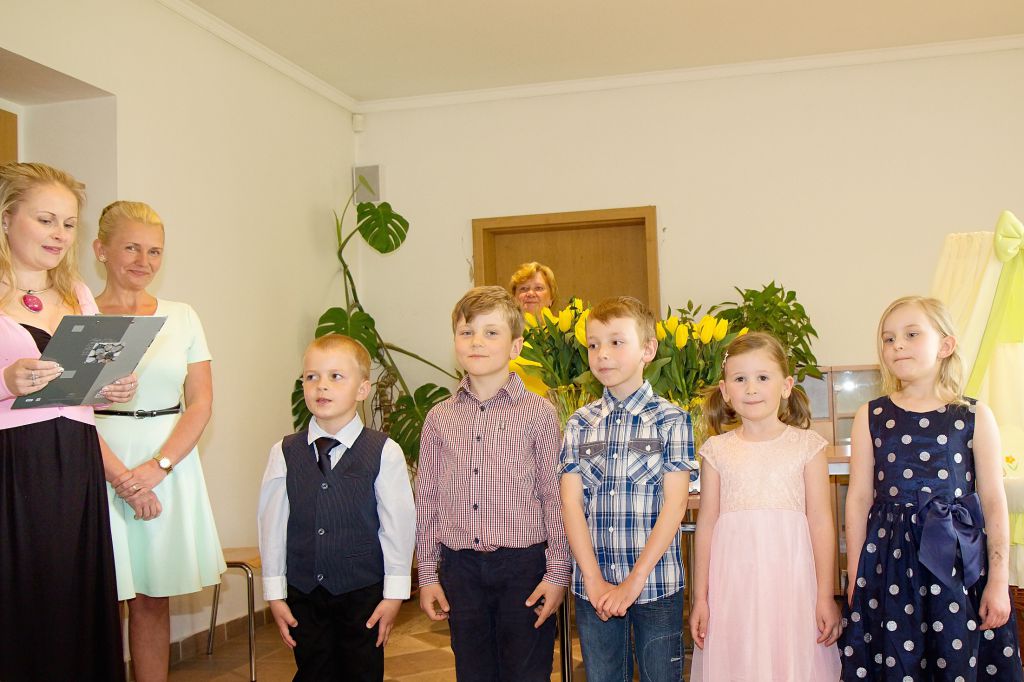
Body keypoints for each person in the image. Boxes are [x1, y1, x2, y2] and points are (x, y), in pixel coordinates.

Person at [0, 162, 142, 681]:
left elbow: (78, 392)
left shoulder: (77, 294)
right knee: (20, 596)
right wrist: (6, 381)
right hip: (14, 465)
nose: (59, 234)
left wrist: (109, 390)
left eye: (67, 224)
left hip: (75, 462)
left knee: (71, 591)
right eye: (45, 220)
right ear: (6, 217)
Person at [840, 296, 1023, 680]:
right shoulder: (870, 415)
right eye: (888, 338)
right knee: (895, 658)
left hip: (958, 564)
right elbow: (858, 500)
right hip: (888, 564)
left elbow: (993, 500)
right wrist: (856, 573)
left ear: (945, 345)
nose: (897, 345)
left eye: (911, 334)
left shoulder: (973, 415)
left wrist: (997, 581)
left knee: (955, 656)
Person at [91, 200, 226, 682]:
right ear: (100, 249)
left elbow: (201, 403)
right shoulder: (79, 314)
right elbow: (68, 407)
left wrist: (159, 466)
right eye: (131, 247)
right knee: (101, 595)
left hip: (167, 465)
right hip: (98, 462)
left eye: (154, 251)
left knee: (152, 597)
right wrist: (124, 479)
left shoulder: (182, 316)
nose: (143, 261)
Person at [416, 285, 570, 682]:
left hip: (524, 566)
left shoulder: (538, 413)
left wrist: (557, 572)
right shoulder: (439, 418)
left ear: (515, 346)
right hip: (461, 567)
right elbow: (427, 498)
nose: (476, 342)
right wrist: (428, 573)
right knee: (473, 670)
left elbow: (553, 496)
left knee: (527, 670)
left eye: (491, 332)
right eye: (466, 332)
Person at [259, 333, 415, 681]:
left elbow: (398, 527)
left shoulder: (384, 451)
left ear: (363, 389)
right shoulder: (284, 452)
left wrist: (394, 595)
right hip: (304, 594)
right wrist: (275, 594)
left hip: (362, 593)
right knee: (313, 671)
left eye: (336, 376)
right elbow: (272, 526)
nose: (322, 386)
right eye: (311, 376)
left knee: (362, 672)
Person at [688, 332, 842, 680]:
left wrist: (825, 595)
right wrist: (701, 598)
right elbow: (707, 524)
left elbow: (821, 523)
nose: (751, 388)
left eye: (762, 377)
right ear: (725, 391)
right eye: (740, 379)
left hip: (792, 589)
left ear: (786, 386)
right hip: (733, 589)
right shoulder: (716, 451)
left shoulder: (808, 447)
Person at [559, 295, 695, 682]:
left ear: (647, 350)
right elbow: (571, 504)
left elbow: (675, 505)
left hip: (655, 585)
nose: (602, 353)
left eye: (617, 342)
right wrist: (593, 579)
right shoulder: (579, 423)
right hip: (594, 588)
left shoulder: (672, 419)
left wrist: (633, 583)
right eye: (593, 344)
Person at [508, 261, 558, 397]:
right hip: (514, 408)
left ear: (551, 297)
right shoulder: (504, 333)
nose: (530, 293)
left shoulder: (565, 332)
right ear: (514, 298)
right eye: (523, 289)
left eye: (539, 288)